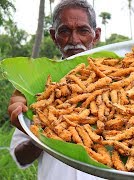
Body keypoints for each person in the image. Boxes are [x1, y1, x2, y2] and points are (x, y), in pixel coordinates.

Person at [8, 0, 103, 179]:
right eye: (64, 31)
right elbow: (20, 157)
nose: (74, 40)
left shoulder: (122, 81)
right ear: (53, 35)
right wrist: (44, 134)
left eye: (83, 30)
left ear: (96, 35)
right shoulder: (37, 88)